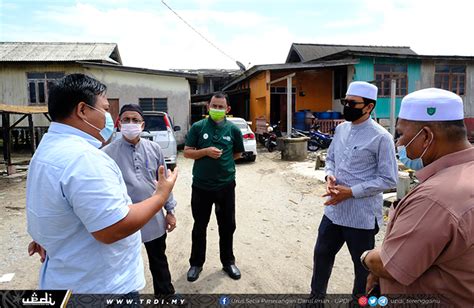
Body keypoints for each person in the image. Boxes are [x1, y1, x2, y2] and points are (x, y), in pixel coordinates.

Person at [26, 74, 177, 294]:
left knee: (158, 261)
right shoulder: (85, 158)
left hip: (72, 279)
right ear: (82, 110)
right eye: (105, 109)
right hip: (102, 287)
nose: (109, 116)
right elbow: (112, 229)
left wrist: (49, 236)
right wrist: (160, 196)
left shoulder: (47, 150)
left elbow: (49, 206)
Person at [362, 88, 473, 307]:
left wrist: (366, 258)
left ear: (426, 137)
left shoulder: (436, 198)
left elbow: (390, 264)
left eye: (401, 134)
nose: (398, 144)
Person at [310, 81, 398, 298]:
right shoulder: (340, 129)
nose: (346, 106)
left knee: (362, 269)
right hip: (333, 212)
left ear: (368, 107)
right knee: (321, 256)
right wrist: (329, 175)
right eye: (345, 101)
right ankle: (315, 300)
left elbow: (389, 179)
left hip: (361, 217)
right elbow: (330, 158)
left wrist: (351, 192)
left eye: (352, 103)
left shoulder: (381, 137)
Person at [102, 104, 177, 296]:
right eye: (126, 120)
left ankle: (166, 295)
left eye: (135, 120)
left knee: (158, 260)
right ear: (118, 124)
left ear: (142, 125)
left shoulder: (154, 149)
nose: (130, 124)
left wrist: (170, 211)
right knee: (123, 264)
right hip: (124, 219)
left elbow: (165, 182)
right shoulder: (107, 154)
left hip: (154, 218)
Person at [183, 92, 245, 282]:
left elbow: (237, 153)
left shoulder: (233, 130)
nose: (216, 109)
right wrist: (206, 152)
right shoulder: (198, 127)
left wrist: (223, 165)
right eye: (214, 106)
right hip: (201, 186)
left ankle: (228, 262)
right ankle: (196, 264)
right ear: (208, 107)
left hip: (226, 186)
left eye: (220, 107)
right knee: (199, 226)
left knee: (227, 226)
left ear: (227, 110)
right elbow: (187, 153)